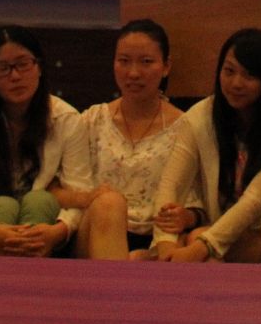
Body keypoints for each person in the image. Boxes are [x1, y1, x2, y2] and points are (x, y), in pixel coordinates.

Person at [151, 28, 261, 263]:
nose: (236, 83)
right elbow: (171, 186)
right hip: (213, 232)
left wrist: (202, 246)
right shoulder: (200, 116)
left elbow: (255, 200)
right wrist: (166, 248)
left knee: (195, 243)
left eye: (249, 76)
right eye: (229, 71)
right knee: (175, 247)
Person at [0, 27, 93, 256]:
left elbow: (79, 189)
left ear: (39, 67)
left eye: (23, 64)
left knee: (39, 201)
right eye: (3, 68)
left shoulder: (66, 119)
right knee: (3, 205)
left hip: (47, 229)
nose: (15, 76)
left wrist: (58, 231)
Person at [74, 20, 188, 260]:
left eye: (146, 62)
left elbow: (193, 203)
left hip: (158, 239)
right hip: (95, 231)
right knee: (108, 203)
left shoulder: (185, 128)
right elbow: (66, 185)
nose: (133, 73)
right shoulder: (92, 120)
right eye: (124, 61)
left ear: (166, 66)